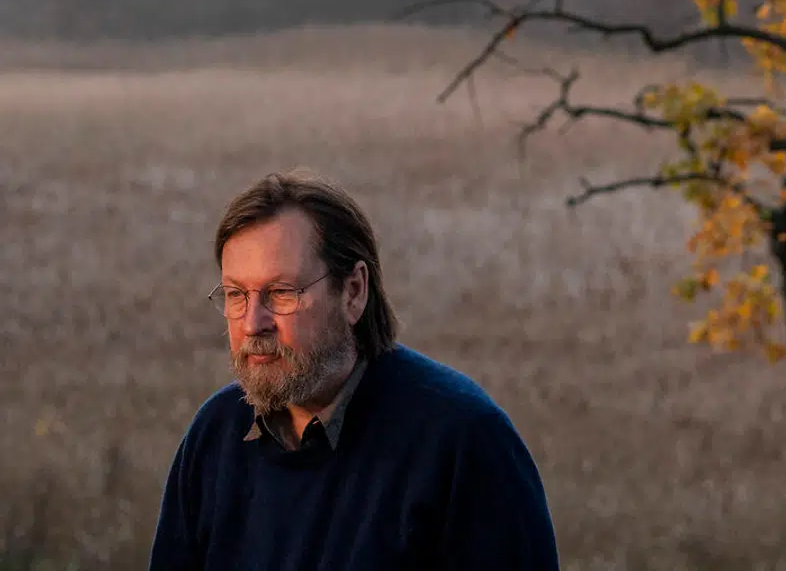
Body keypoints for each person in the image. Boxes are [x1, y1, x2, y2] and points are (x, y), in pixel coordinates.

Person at [148, 170, 559, 571]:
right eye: (236, 295)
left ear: (354, 291)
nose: (253, 323)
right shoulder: (215, 436)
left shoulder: (463, 442)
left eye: (281, 293)